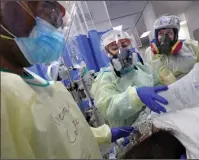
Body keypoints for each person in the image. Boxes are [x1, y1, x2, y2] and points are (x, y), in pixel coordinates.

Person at [0, 1, 133, 158]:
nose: (56, 27)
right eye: (49, 9)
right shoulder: (5, 93)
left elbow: (63, 136)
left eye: (58, 19)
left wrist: (105, 134)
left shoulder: (34, 83)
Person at [91, 30, 169, 127]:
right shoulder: (105, 77)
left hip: (156, 123)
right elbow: (109, 108)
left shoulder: (145, 68)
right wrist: (136, 96)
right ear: (108, 53)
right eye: (115, 48)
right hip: (130, 135)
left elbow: (159, 89)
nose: (122, 52)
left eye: (124, 45)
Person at [143, 15, 199, 85]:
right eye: (160, 33)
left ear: (175, 35)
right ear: (156, 36)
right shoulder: (150, 53)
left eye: (169, 33)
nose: (164, 37)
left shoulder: (191, 46)